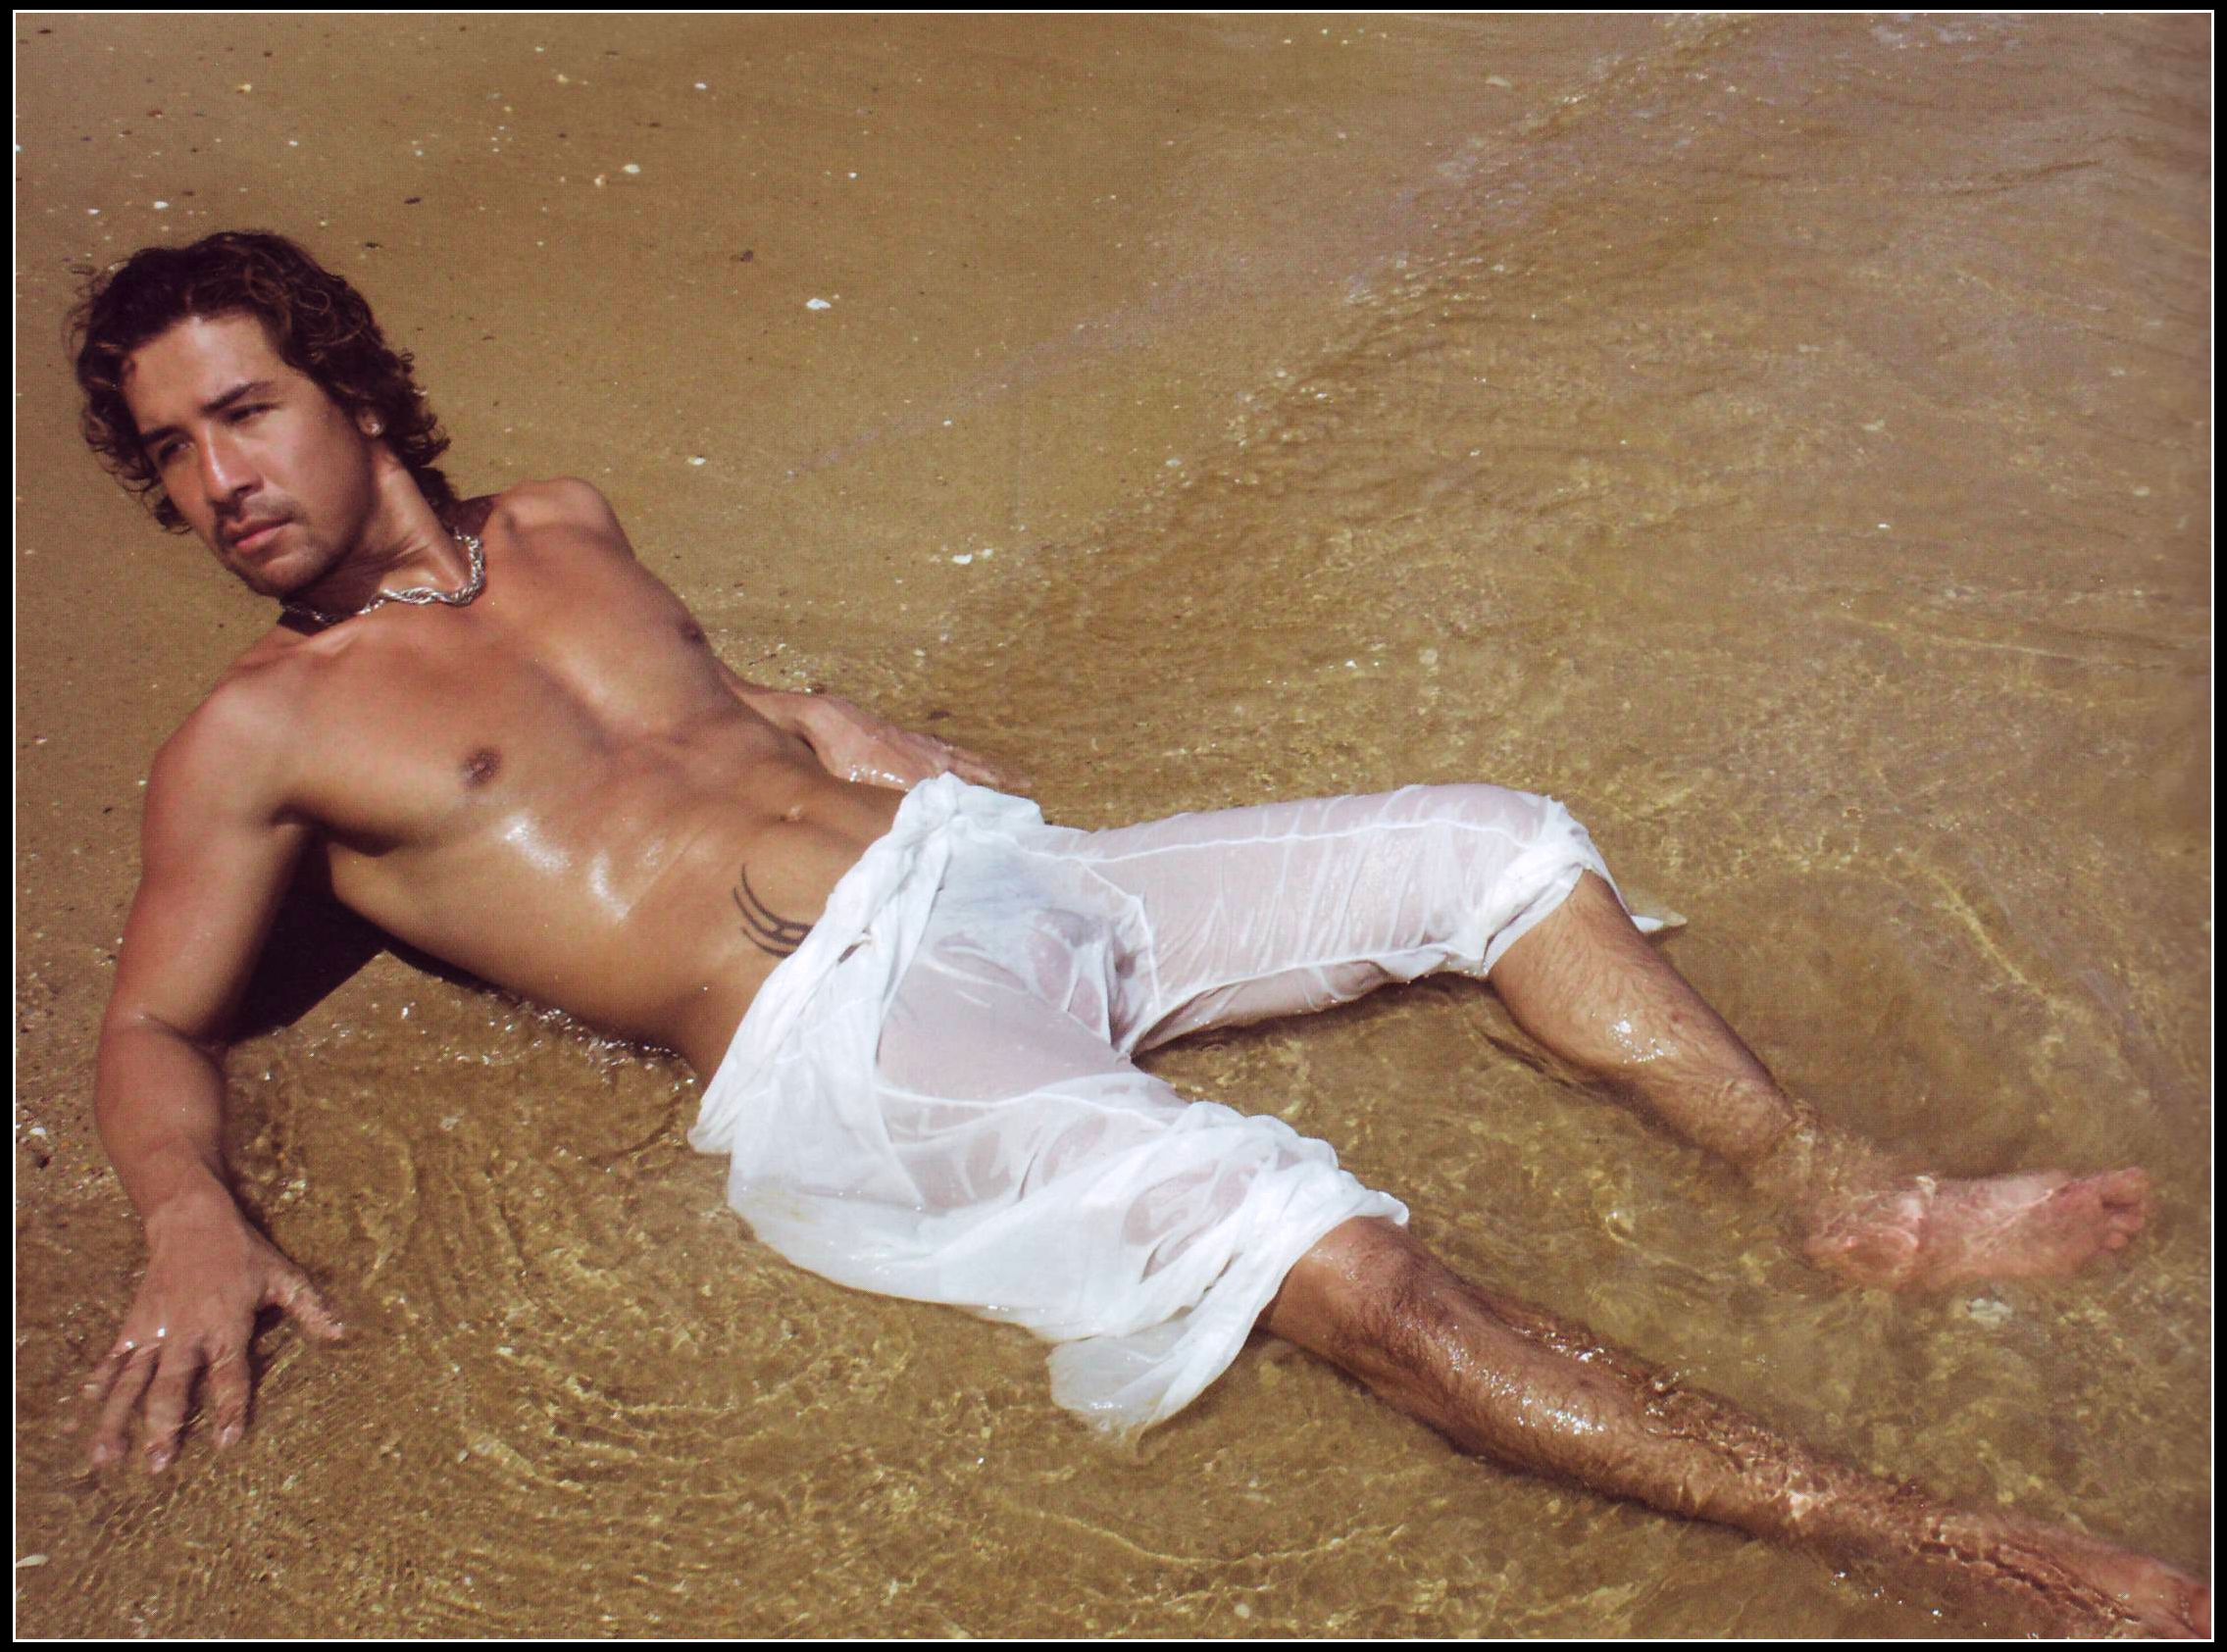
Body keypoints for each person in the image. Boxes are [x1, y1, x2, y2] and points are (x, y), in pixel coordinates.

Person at [60, 231, 2205, 1636]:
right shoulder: (260, 735)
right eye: (168, 454)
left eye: (243, 410)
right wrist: (186, 1217)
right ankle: (1926, 1539)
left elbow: (671, 712)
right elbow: (157, 1022)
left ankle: (1840, 1194)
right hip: (849, 1051)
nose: (214, 480)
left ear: (350, 390)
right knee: (1322, 1253)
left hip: (999, 879)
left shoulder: (559, 522)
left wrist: (839, 721)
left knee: (1495, 849)